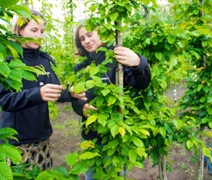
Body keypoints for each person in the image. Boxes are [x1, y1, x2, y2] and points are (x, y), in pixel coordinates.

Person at [71, 24, 151, 180]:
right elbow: (75, 99)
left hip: (115, 137)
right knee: (92, 176)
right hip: (90, 137)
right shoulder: (80, 68)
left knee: (115, 176)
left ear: (100, 33)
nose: (86, 41)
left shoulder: (117, 60)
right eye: (82, 38)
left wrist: (138, 62)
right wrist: (82, 107)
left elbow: (142, 83)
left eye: (89, 35)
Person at [0, 9, 72, 170]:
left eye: (42, 31)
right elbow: (4, 100)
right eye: (34, 30)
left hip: (42, 139)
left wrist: (70, 93)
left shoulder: (44, 60)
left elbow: (56, 91)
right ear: (20, 30)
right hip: (18, 142)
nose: (39, 35)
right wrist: (37, 94)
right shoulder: (9, 61)